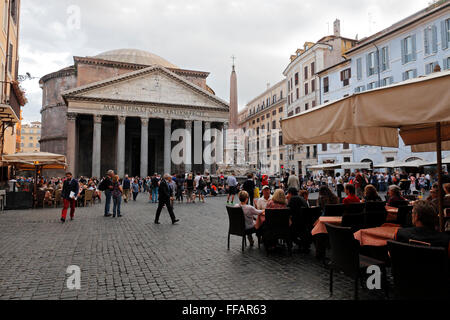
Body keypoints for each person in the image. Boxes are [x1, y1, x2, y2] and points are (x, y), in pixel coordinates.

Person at [286, 187, 311, 252]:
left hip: (297, 223)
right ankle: (303, 244)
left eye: (288, 193)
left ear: (290, 193)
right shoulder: (301, 198)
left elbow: (288, 211)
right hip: (305, 222)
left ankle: (299, 243)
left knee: (287, 228)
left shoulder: (293, 199)